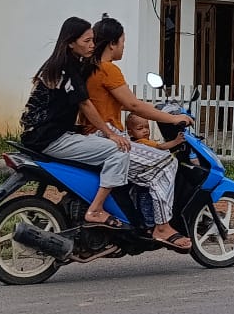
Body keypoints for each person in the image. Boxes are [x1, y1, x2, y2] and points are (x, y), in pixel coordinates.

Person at [85, 16, 193, 252]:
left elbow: (122, 103)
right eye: (122, 42)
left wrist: (152, 107)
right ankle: (162, 227)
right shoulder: (108, 69)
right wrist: (174, 118)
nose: (123, 47)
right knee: (166, 162)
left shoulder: (89, 69)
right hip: (106, 136)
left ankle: (141, 218)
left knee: (150, 169)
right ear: (112, 43)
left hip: (90, 136)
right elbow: (134, 106)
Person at [19, 16, 131, 230]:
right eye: (87, 41)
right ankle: (96, 209)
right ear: (71, 42)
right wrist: (110, 133)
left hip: (39, 135)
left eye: (93, 40)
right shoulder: (68, 67)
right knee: (119, 151)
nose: (92, 45)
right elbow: (86, 105)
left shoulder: (58, 64)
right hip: (51, 139)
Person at [124, 112, 186, 237]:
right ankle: (150, 226)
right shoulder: (143, 143)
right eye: (140, 128)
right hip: (146, 182)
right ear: (130, 133)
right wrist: (176, 141)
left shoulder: (138, 142)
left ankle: (148, 224)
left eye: (147, 127)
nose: (145, 131)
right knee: (147, 202)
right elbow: (161, 147)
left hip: (139, 181)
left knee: (143, 203)